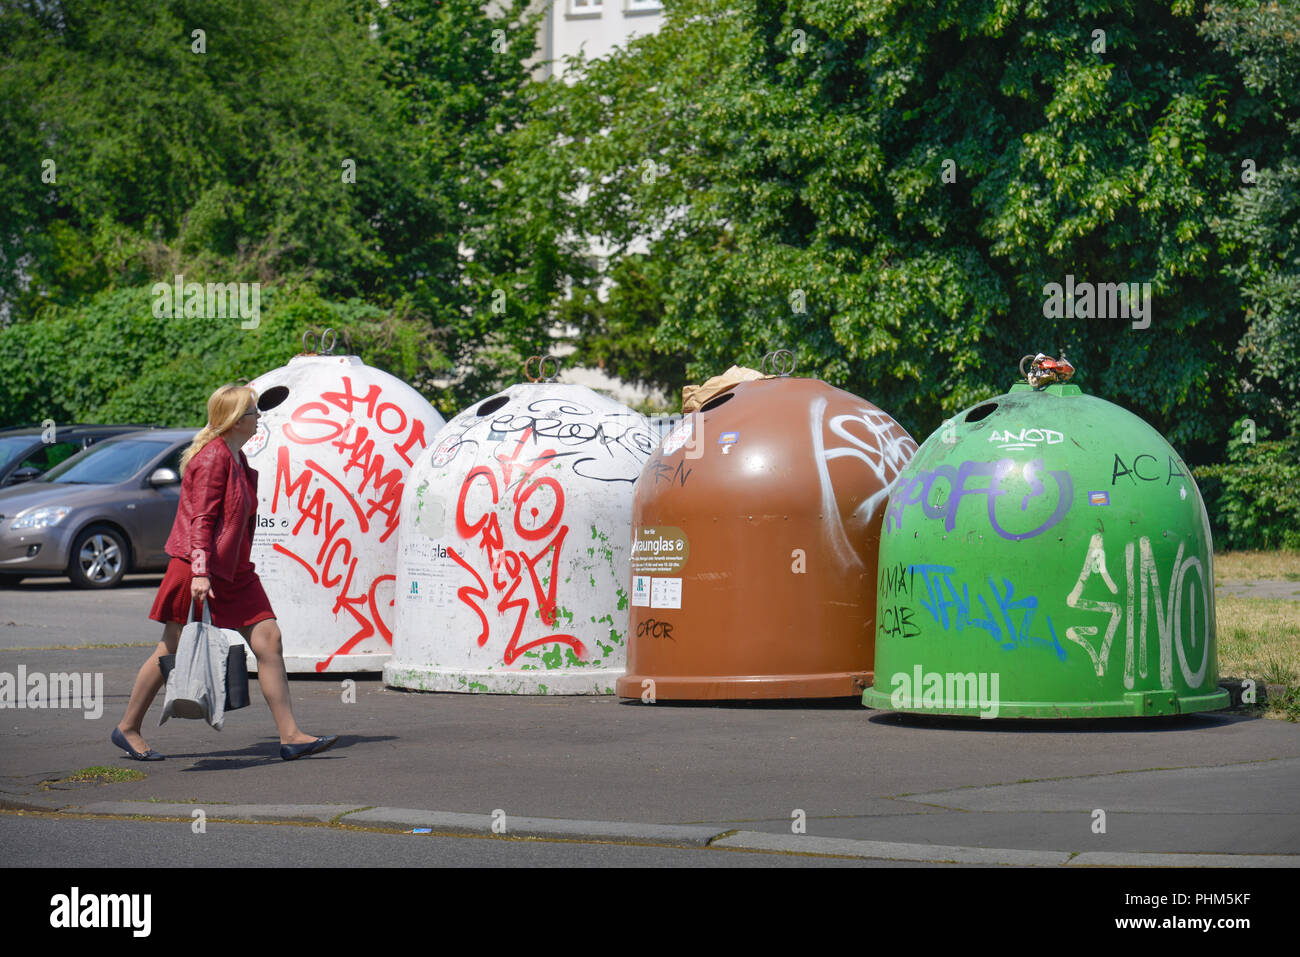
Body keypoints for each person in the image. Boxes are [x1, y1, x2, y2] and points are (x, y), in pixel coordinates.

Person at [112, 384, 337, 761]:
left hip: (235, 571)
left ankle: (291, 735)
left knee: (269, 639)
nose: (259, 418)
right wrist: (200, 571)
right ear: (236, 421)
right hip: (198, 568)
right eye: (253, 413)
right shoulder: (212, 458)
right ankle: (127, 727)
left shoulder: (238, 459)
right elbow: (202, 519)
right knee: (172, 645)